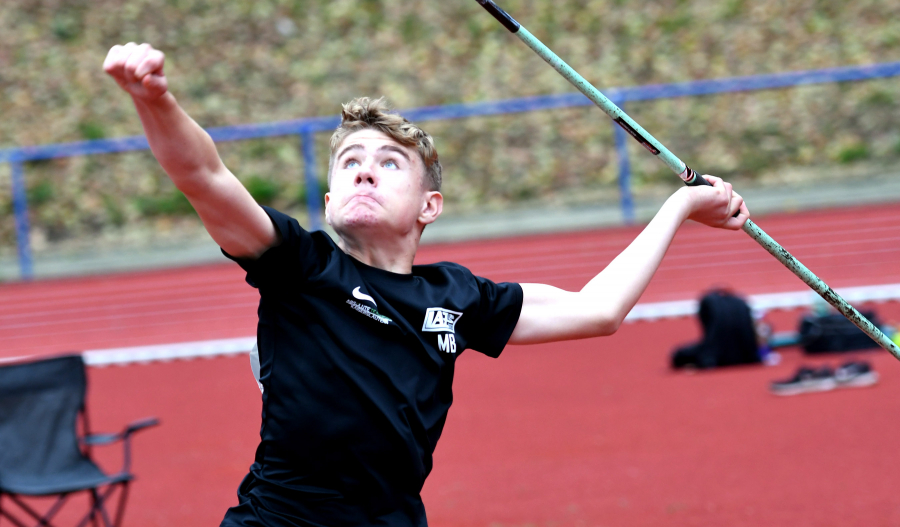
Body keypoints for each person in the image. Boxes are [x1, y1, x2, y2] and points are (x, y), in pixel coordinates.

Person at [103, 42, 749, 527]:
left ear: (429, 207)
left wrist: (680, 206)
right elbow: (204, 176)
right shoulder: (301, 269)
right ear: (329, 200)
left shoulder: (457, 298)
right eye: (349, 162)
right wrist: (155, 100)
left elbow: (598, 309)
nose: (364, 172)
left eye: (388, 163)